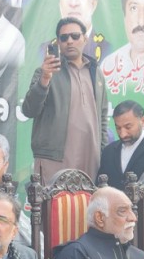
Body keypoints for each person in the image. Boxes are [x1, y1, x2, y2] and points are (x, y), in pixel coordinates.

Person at [24, 16, 108, 181]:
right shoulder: (45, 72)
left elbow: (103, 116)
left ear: (84, 39)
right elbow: (29, 110)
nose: (69, 41)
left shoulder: (96, 72)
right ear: (58, 43)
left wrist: (102, 151)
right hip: (55, 159)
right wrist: (45, 79)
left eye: (75, 36)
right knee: (53, 206)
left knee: (86, 205)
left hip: (90, 159)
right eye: (63, 38)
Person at [50, 186, 144, 259]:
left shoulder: (138, 254)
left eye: (132, 210)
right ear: (100, 218)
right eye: (122, 211)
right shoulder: (76, 254)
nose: (133, 218)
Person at [97, 100, 144, 185]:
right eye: (118, 128)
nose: (123, 134)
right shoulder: (109, 151)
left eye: (128, 127)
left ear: (143, 121)